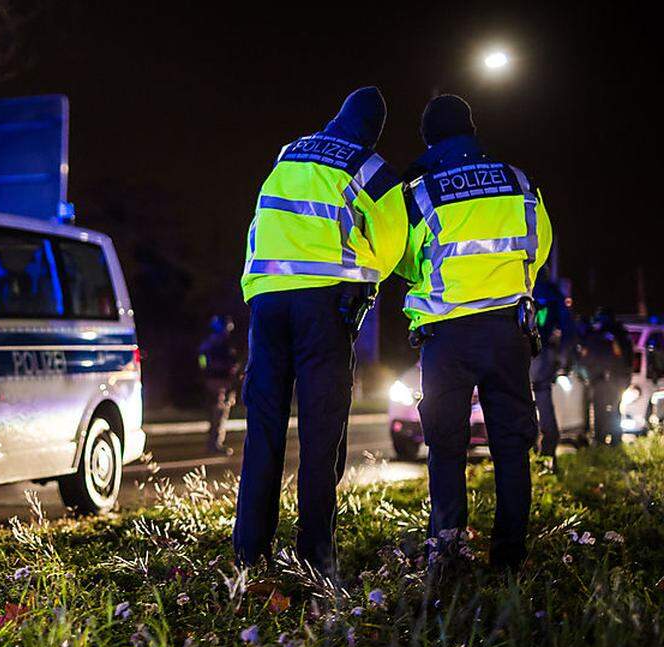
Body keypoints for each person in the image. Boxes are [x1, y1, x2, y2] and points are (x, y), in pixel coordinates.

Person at [233, 87, 408, 575]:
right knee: (321, 431)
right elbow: (393, 245)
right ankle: (315, 556)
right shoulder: (369, 166)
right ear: (373, 130)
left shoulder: (290, 151)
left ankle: (250, 552)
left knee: (263, 428)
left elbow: (259, 221)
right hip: (324, 304)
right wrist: (364, 279)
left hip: (266, 299)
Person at [396, 95, 553, 571]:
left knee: (446, 444)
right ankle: (509, 556)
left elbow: (401, 258)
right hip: (508, 330)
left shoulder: (421, 191)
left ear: (430, 138)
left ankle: (446, 551)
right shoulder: (517, 180)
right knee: (511, 444)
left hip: (447, 336)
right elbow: (539, 244)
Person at [530, 273, 576, 459]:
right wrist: (564, 360)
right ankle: (548, 448)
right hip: (545, 353)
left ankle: (529, 447)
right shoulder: (554, 293)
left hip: (523, 351)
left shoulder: (524, 287)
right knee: (543, 398)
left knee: (522, 399)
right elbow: (568, 328)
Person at [579, 308, 633, 446]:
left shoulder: (600, 335)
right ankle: (615, 439)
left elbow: (589, 358)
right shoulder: (621, 333)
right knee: (614, 409)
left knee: (601, 410)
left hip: (603, 379)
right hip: (618, 378)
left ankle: (601, 440)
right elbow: (628, 359)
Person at [198, 315, 240, 456]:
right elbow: (205, 360)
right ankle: (214, 445)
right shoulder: (218, 342)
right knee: (218, 414)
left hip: (218, 380)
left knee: (217, 414)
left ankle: (214, 444)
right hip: (219, 381)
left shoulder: (213, 342)